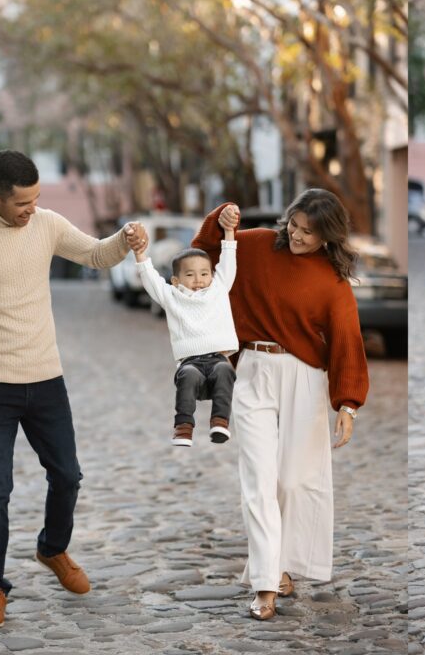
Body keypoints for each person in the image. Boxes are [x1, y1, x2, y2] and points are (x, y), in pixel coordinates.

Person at [0, 150, 148, 628]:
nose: (32, 209)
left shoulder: (46, 223)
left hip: (47, 380)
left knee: (67, 475)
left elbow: (95, 254)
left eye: (36, 199)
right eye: (23, 203)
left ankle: (52, 548)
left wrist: (125, 239)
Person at [192, 189, 368, 621]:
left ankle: (282, 563)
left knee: (292, 482)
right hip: (251, 369)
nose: (298, 235)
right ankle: (265, 584)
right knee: (258, 480)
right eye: (294, 224)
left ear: (328, 236)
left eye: (309, 232)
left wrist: (348, 404)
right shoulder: (252, 247)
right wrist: (222, 217)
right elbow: (203, 251)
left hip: (304, 378)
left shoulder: (332, 278)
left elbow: (347, 339)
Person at [133, 206, 240, 446]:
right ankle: (183, 427)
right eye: (190, 275)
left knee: (226, 372)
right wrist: (140, 255)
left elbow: (229, 262)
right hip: (190, 363)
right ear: (176, 280)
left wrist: (230, 233)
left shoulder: (219, 288)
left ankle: (220, 423)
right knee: (188, 376)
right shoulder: (171, 296)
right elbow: (151, 280)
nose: (199, 280)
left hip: (218, 359)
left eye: (204, 274)